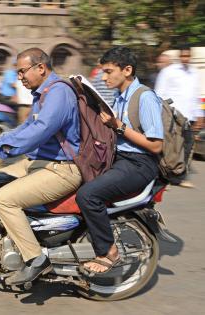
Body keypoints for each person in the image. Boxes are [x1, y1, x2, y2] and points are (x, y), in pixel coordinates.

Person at [0, 48, 82, 285]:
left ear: (41, 68)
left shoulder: (59, 93)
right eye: (18, 72)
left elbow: (39, 131)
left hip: (63, 168)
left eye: (22, 71)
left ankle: (35, 258)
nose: (19, 77)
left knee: (4, 198)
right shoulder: (43, 94)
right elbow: (25, 128)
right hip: (41, 162)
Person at [76, 46, 164, 275]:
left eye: (108, 71)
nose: (104, 77)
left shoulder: (145, 97)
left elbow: (156, 144)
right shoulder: (119, 97)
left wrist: (119, 127)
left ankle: (108, 251)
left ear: (127, 70)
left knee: (88, 195)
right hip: (121, 159)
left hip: (139, 164)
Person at [155, 45, 203, 188]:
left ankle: (179, 178)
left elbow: (196, 95)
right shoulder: (168, 71)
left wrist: (200, 115)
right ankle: (163, 177)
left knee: (187, 148)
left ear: (191, 57)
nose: (185, 59)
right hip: (172, 116)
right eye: (183, 56)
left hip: (189, 117)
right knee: (169, 148)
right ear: (179, 56)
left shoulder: (194, 73)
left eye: (188, 56)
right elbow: (159, 93)